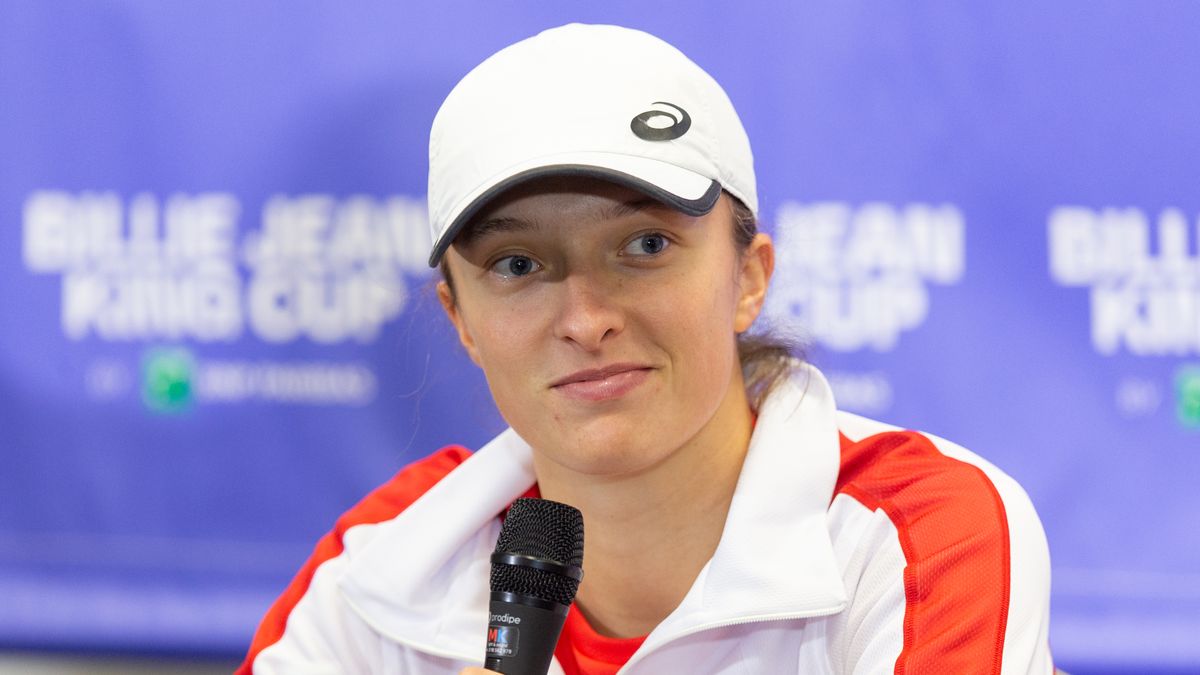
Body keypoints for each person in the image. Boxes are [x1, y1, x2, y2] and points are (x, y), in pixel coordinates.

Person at [238, 23, 1054, 674]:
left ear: (748, 277)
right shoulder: (382, 558)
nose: (586, 318)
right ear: (461, 320)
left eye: (645, 245)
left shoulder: (922, 536)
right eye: (517, 264)